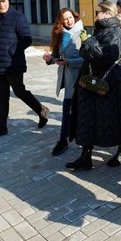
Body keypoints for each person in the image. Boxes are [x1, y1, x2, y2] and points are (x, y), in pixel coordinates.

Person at [65, 1, 121, 170]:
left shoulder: (115, 31)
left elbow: (106, 55)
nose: (95, 14)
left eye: (97, 11)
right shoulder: (101, 29)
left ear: (107, 13)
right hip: (92, 81)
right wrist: (87, 44)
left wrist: (89, 41)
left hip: (111, 83)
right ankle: (85, 157)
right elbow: (87, 53)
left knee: (116, 117)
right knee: (87, 117)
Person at [0, 0, 49, 139]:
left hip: (13, 64)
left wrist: (12, 50)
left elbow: (27, 39)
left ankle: (41, 110)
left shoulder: (18, 17)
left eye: (3, 1)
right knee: (1, 97)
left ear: (8, 0)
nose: (1, 5)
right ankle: (1, 127)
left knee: (19, 91)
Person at [43, 8, 84, 156]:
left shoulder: (83, 33)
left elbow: (87, 59)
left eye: (70, 17)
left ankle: (82, 140)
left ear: (75, 17)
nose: (69, 21)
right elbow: (56, 56)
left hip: (81, 80)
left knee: (80, 111)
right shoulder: (59, 35)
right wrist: (50, 59)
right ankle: (63, 141)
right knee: (66, 110)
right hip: (67, 80)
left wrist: (70, 62)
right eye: (65, 19)